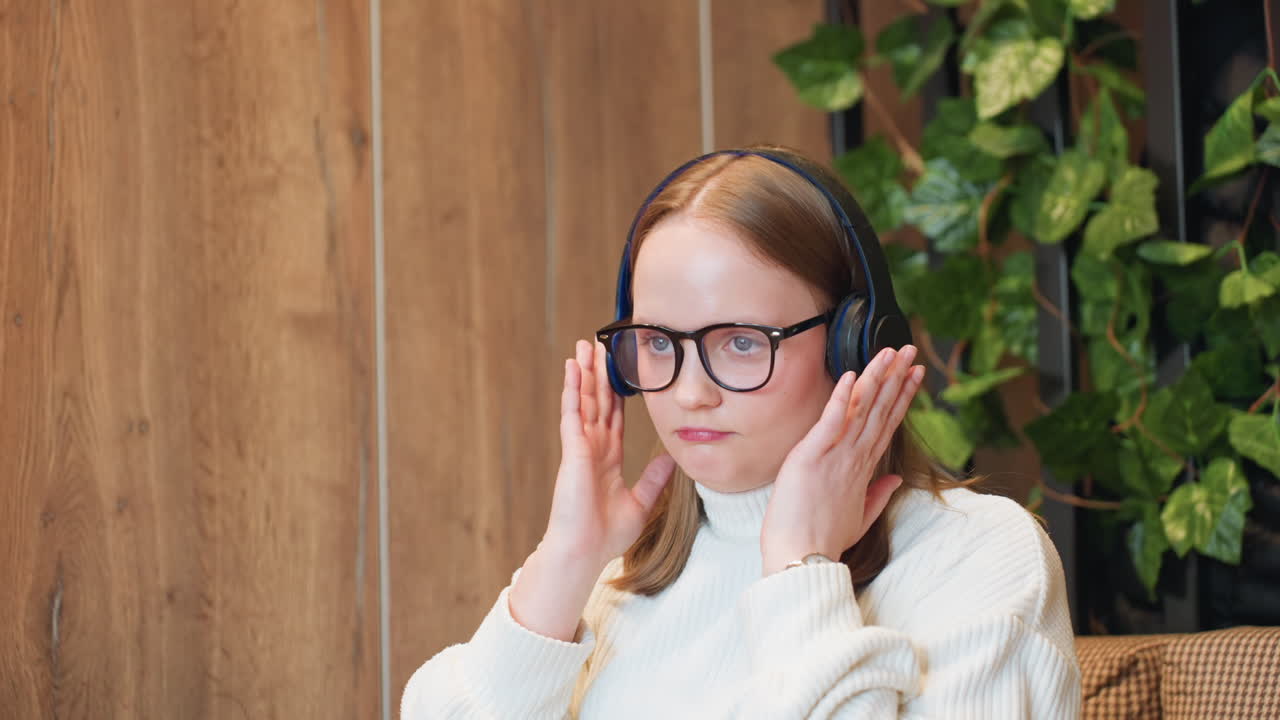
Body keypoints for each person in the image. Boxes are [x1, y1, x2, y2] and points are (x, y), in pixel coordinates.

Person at [400, 144, 1082, 719]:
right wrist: (567, 558)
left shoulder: (980, 558)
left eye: (742, 343)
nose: (691, 394)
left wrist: (798, 566)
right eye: (659, 343)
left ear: (855, 344)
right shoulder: (609, 589)